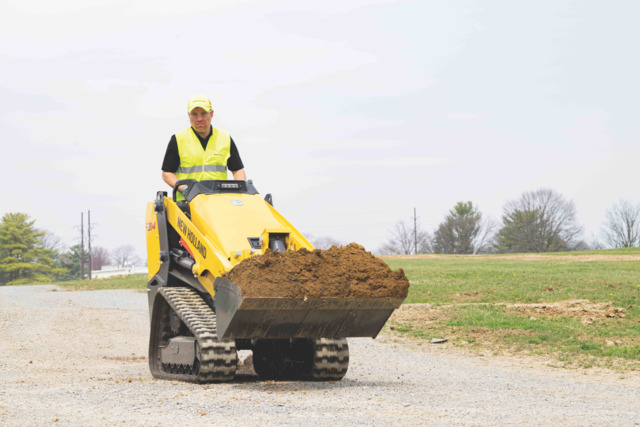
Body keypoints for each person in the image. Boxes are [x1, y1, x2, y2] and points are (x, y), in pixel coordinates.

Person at [161, 95, 246, 200]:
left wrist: (241, 191)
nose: (199, 119)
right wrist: (185, 189)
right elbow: (167, 173)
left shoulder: (225, 138)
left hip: (219, 200)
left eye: (203, 114)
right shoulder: (178, 139)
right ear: (188, 115)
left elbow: (238, 170)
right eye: (194, 114)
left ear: (211, 114)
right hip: (187, 203)